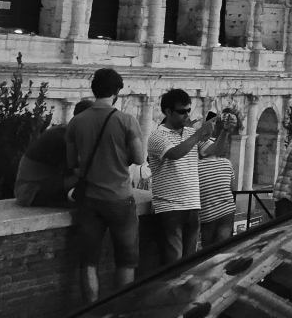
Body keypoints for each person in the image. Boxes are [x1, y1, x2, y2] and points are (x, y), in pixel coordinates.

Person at [65, 69, 145, 303]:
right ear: (116, 92)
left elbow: (72, 163)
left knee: (88, 261)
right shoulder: (126, 120)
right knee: (126, 259)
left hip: (89, 199)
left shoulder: (76, 122)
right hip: (120, 198)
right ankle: (119, 309)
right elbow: (140, 159)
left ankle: (91, 311)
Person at [148, 89, 214, 264]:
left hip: (192, 205)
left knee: (190, 262)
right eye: (181, 111)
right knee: (173, 262)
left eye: (188, 111)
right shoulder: (157, 135)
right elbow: (175, 153)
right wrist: (199, 133)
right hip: (170, 207)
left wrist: (225, 132)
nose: (186, 115)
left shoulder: (190, 133)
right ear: (168, 112)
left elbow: (214, 151)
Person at [15, 98, 93, 207]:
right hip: (30, 192)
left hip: (36, 188)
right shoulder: (62, 138)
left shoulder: (66, 133)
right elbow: (79, 171)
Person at [198, 118, 236, 247]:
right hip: (227, 210)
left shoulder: (196, 168)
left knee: (207, 247)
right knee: (223, 245)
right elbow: (233, 187)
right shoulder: (226, 163)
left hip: (207, 212)